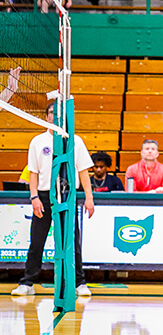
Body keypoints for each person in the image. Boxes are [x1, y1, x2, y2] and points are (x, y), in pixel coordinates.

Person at [11, 102, 94, 297]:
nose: (54, 117)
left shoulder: (75, 141)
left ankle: (79, 282)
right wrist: (34, 197)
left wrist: (89, 198)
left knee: (72, 241)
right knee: (37, 241)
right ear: (46, 116)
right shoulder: (37, 141)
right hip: (44, 196)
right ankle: (27, 282)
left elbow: (83, 172)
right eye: (51, 113)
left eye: (58, 114)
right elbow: (33, 173)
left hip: (66, 196)